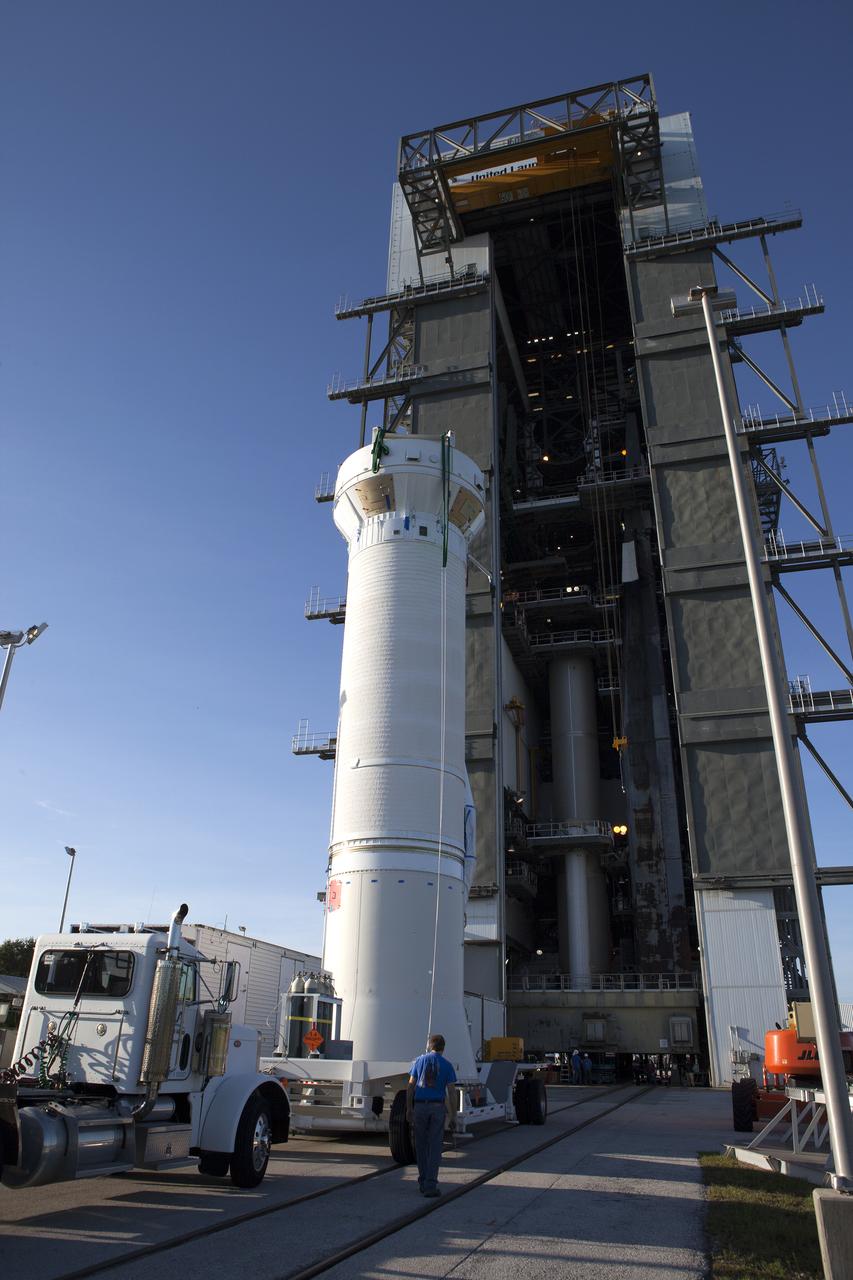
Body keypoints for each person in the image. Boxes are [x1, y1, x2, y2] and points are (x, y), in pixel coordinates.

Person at [406, 1032, 458, 1196]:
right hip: (437, 1107)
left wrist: (409, 1108)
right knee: (435, 1146)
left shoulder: (418, 1061)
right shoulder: (447, 1065)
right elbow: (451, 1091)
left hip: (420, 1106)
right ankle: (430, 1185)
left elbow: (410, 1087)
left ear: (430, 1045)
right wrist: (453, 1115)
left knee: (421, 1145)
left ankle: (423, 1180)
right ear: (443, 1048)